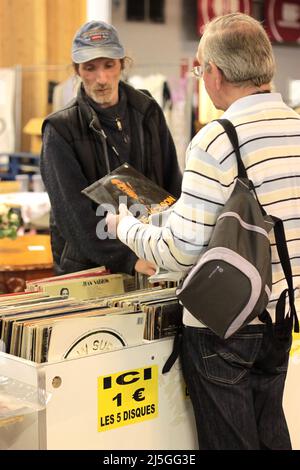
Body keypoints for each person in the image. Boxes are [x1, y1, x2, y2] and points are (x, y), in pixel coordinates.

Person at [106, 13, 300, 450]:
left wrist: (126, 228)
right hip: (281, 314)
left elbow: (179, 251)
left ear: (213, 72)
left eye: (200, 68)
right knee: (271, 432)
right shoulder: (296, 129)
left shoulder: (216, 139)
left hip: (222, 322)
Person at [40, 20, 182, 276]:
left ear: (122, 64)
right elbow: (72, 216)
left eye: (109, 65)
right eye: (90, 68)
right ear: (77, 70)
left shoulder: (147, 112)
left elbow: (172, 185)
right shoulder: (60, 130)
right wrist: (127, 260)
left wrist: (177, 246)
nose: (101, 78)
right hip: (89, 271)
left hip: (153, 258)